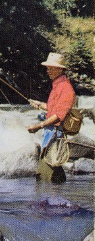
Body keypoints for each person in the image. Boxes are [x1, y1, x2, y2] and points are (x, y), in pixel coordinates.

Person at [27, 52, 75, 183]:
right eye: (47, 68)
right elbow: (53, 108)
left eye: (51, 68)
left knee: (44, 173)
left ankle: (47, 201)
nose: (48, 71)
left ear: (60, 69)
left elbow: (59, 115)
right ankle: (58, 198)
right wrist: (40, 104)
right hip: (50, 132)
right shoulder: (57, 86)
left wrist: (38, 126)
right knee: (54, 170)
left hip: (55, 133)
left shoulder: (66, 88)